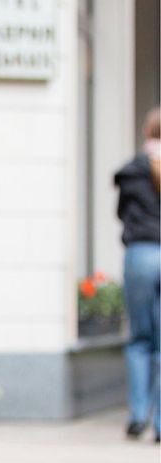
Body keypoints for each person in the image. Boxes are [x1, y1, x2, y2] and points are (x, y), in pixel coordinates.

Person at [114, 106, 161, 443]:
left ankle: (137, 414)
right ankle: (160, 425)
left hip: (140, 254)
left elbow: (121, 213)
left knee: (139, 339)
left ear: (147, 132)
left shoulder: (133, 170)